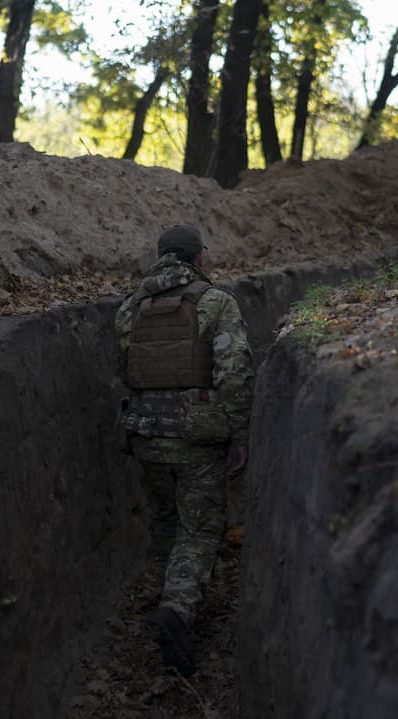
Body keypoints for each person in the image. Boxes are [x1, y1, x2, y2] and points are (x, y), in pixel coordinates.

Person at [114, 223, 254, 676]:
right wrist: (238, 435)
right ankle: (177, 611)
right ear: (198, 259)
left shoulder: (129, 308)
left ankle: (164, 596)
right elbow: (234, 373)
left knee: (166, 522)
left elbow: (125, 368)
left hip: (145, 435)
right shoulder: (216, 302)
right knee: (198, 532)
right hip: (197, 438)